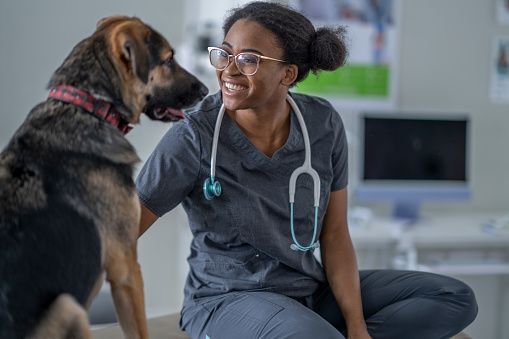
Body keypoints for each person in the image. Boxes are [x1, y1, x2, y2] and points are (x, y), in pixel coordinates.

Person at [136, 2, 478, 338]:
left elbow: (334, 236)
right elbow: (123, 227)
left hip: (306, 289)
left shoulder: (322, 124)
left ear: (289, 73)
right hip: (228, 298)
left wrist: (358, 328)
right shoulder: (193, 136)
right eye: (224, 54)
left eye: (249, 60)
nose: (229, 70)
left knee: (453, 298)